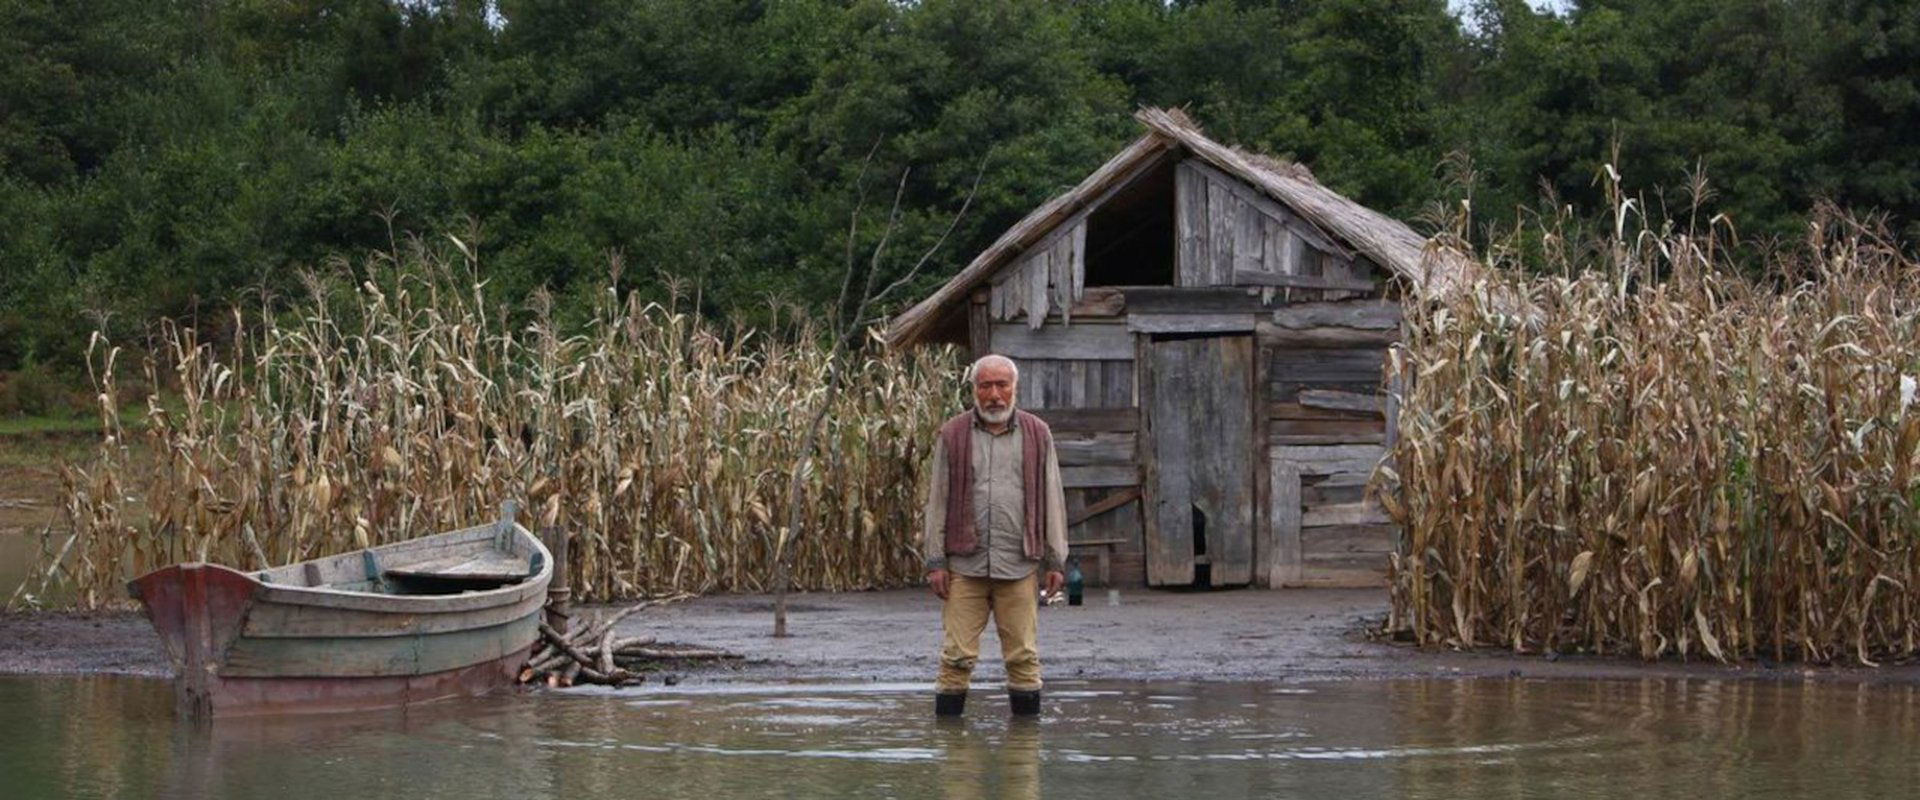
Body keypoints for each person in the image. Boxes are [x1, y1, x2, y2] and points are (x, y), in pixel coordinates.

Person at [922, 354, 1067, 717]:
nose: (994, 395)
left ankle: (1023, 761)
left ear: (1014, 388)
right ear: (974, 390)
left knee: (1023, 657)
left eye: (1002, 385)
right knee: (956, 659)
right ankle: (955, 763)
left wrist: (1056, 559)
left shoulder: (1038, 433)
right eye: (985, 385)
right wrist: (935, 561)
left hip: (1019, 564)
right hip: (964, 566)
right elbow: (937, 499)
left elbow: (1053, 497)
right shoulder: (952, 434)